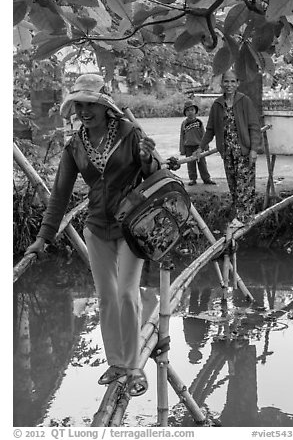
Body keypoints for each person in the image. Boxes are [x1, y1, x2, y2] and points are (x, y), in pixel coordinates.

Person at [25, 73, 160, 396]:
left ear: (105, 107)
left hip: (131, 225)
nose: (85, 111)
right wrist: (43, 237)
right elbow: (59, 194)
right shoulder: (75, 145)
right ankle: (116, 363)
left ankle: (134, 367)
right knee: (106, 297)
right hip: (97, 227)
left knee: (128, 294)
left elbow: (154, 173)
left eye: (91, 105)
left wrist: (147, 157)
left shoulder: (129, 133)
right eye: (80, 105)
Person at [195, 70, 261, 227]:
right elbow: (210, 129)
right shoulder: (217, 105)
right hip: (227, 152)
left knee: (245, 185)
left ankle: (245, 218)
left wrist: (253, 150)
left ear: (237, 83)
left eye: (233, 81)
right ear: (221, 84)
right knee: (234, 185)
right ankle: (241, 215)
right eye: (226, 81)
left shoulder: (245, 101)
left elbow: (254, 127)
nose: (229, 85)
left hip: (243, 151)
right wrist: (200, 147)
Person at [179, 100, 216, 186]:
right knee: (190, 164)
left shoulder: (199, 122)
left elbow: (204, 134)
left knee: (202, 163)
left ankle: (206, 178)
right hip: (188, 147)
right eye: (188, 110)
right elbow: (182, 136)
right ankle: (192, 179)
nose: (190, 112)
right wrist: (182, 149)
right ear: (185, 113)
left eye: (192, 110)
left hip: (198, 146)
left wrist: (205, 146)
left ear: (195, 111)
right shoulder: (184, 123)